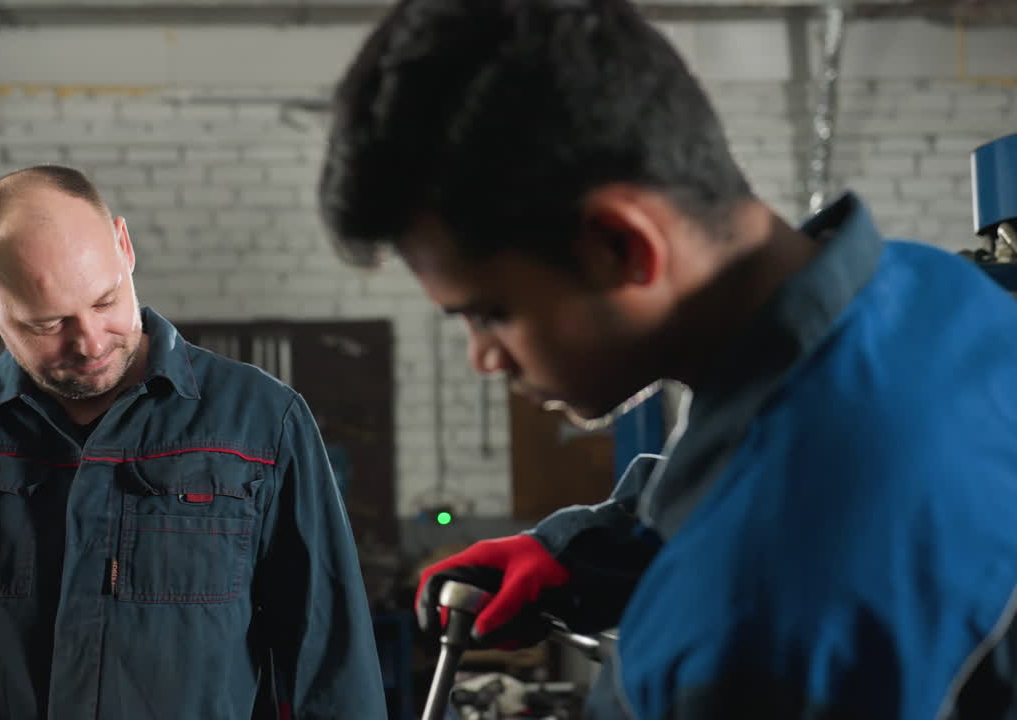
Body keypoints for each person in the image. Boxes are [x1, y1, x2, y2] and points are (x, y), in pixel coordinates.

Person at [318, 0, 1017, 717]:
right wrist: (579, 555)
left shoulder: (739, 617)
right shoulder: (934, 293)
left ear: (621, 246)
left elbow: (772, 539)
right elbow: (750, 468)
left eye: (489, 314)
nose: (483, 359)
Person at [0, 166, 386, 719]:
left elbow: (328, 655)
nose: (91, 341)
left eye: (106, 301)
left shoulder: (258, 419)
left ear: (124, 248)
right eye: (49, 323)